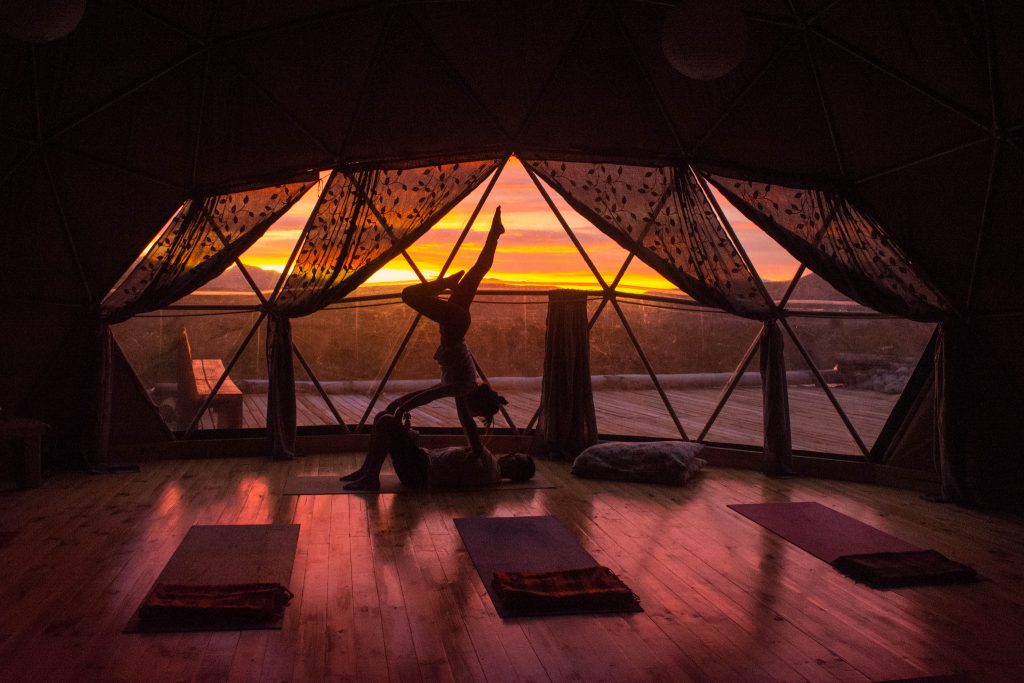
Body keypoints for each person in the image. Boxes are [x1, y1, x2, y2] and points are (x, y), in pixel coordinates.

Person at [341, 207, 519, 490]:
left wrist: (401, 405)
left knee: (475, 273)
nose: (466, 416)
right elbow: (435, 396)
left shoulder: (467, 390)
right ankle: (369, 475)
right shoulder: (464, 388)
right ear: (475, 406)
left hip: (458, 324)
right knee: (412, 293)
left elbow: (435, 395)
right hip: (455, 326)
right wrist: (401, 405)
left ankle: (494, 236)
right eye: (472, 414)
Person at [342, 411, 535, 490]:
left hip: (419, 472)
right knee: (383, 417)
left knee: (385, 420)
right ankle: (367, 471)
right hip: (420, 466)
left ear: (515, 474)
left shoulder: (489, 466)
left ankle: (371, 477)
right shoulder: (490, 469)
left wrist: (464, 399)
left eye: (514, 459)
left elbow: (470, 428)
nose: (509, 454)